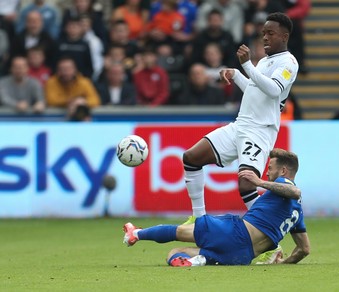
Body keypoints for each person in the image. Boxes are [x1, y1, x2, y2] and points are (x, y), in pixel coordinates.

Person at [182, 12, 298, 222]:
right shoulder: (264, 61)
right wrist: (237, 75)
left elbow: (273, 90)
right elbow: (256, 89)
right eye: (263, 33)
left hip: (260, 130)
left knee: (246, 184)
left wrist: (246, 66)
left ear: (284, 36)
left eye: (270, 33)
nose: (264, 38)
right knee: (191, 158)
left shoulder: (289, 63)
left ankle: (269, 238)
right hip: (241, 125)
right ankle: (198, 220)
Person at [123, 148, 310, 266]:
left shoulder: (285, 183)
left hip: (234, 232)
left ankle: (136, 234)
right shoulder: (297, 214)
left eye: (271, 167)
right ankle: (197, 261)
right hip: (242, 256)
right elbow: (304, 249)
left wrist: (259, 182)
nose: (267, 171)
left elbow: (295, 192)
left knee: (178, 231)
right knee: (174, 254)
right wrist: (285, 262)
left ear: (284, 171)